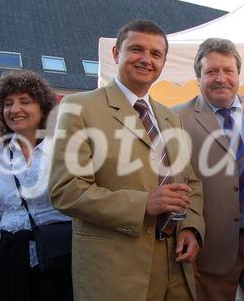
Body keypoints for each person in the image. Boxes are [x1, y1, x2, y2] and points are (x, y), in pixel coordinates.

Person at [49, 20, 204, 301]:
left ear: (163, 62)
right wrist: (144, 203)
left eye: (156, 54)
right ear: (116, 54)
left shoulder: (171, 118)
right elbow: (66, 190)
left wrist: (191, 227)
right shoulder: (79, 107)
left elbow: (189, 182)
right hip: (118, 268)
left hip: (177, 264)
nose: (146, 59)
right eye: (136, 49)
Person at [173, 38, 244, 300]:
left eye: (228, 71)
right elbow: (176, 181)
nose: (221, 78)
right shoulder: (177, 118)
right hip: (211, 245)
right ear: (198, 76)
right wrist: (187, 230)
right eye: (211, 71)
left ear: (238, 74)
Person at [0, 70, 72, 301]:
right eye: (8, 104)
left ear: (43, 108)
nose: (14, 109)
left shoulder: (62, 147)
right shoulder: (0, 151)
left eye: (25, 101)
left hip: (57, 255)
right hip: (11, 255)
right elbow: (2, 203)